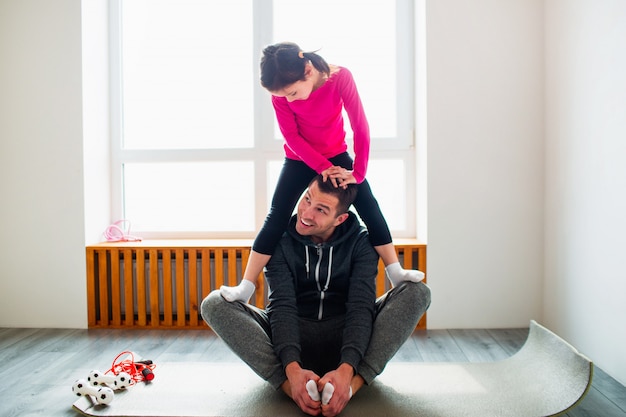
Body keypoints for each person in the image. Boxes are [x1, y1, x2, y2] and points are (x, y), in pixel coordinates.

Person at [202, 175, 431, 416]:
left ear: (340, 218)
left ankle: (350, 386)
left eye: (321, 209)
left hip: (345, 337)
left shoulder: (362, 242)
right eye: (307, 199)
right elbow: (282, 306)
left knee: (418, 292)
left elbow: (360, 307)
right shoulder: (279, 240)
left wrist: (347, 368)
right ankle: (293, 387)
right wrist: (291, 367)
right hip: (293, 337)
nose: (306, 213)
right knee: (214, 304)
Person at [220, 41, 424, 304]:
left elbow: (360, 126)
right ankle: (246, 287)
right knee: (277, 215)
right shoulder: (280, 94)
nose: (288, 99)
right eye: (283, 96)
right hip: (299, 157)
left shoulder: (340, 78)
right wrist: (323, 168)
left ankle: (395, 272)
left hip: (336, 154)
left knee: (369, 206)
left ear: (307, 70)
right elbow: (291, 136)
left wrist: (358, 173)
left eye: (292, 93)